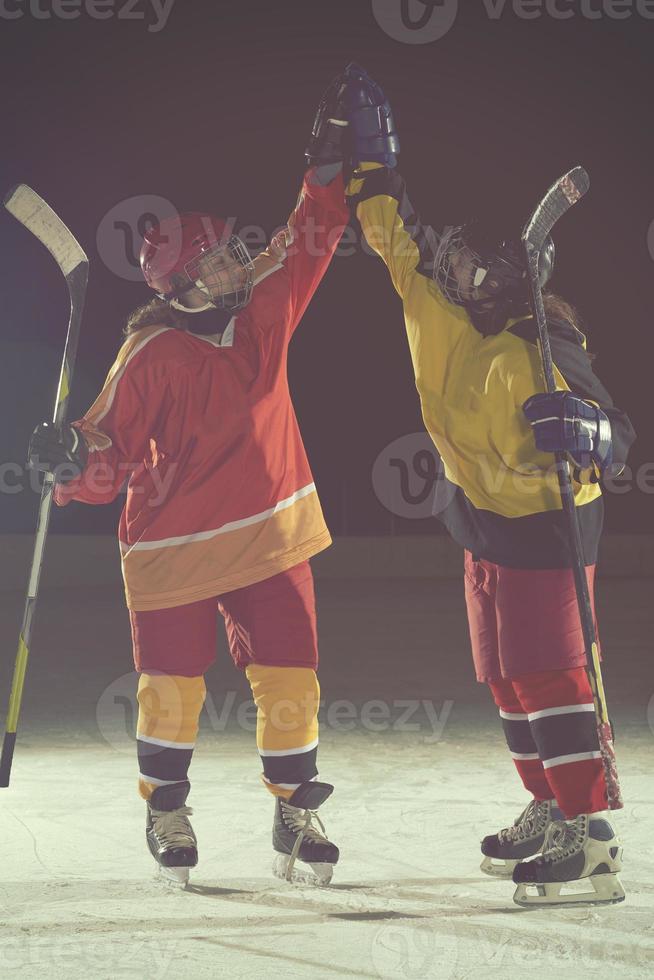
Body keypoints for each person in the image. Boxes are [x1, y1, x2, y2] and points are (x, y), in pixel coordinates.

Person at [27, 70, 352, 887]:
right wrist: (72, 460)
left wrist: (325, 170)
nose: (237, 265)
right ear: (180, 287)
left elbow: (304, 236)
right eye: (216, 261)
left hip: (271, 539)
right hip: (172, 551)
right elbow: (106, 455)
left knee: (291, 675)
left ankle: (293, 804)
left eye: (231, 251)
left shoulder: (265, 311)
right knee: (172, 689)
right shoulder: (152, 354)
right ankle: (166, 805)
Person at [341, 64, 636, 906]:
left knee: (554, 677)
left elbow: (618, 438)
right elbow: (393, 232)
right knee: (507, 678)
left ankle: (590, 835)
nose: (459, 269)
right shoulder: (433, 307)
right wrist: (368, 164)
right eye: (458, 256)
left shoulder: (540, 347)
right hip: (480, 528)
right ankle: (547, 803)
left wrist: (585, 430)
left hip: (548, 533)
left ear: (516, 279)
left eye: (478, 263)